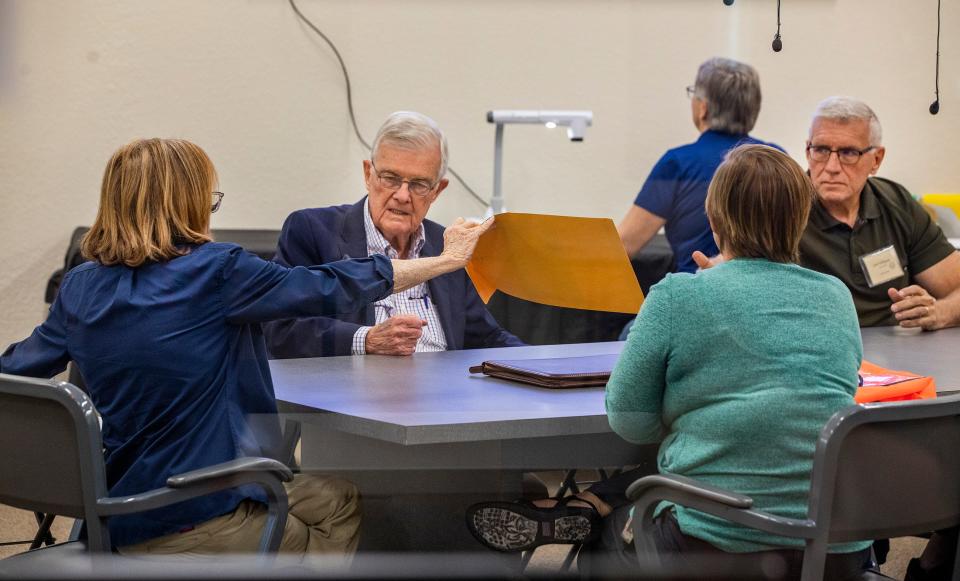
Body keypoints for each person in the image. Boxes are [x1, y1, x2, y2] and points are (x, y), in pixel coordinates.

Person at [0, 138, 492, 557]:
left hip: (109, 508)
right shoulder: (216, 271)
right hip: (192, 511)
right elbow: (326, 285)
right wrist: (443, 261)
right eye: (207, 202)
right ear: (186, 206)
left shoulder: (82, 285)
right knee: (327, 522)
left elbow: (17, 371)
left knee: (335, 495)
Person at [468, 145, 873, 580]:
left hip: (717, 548)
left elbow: (629, 420)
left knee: (605, 541)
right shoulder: (836, 297)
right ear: (801, 220)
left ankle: (590, 506)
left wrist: (697, 415)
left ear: (713, 221)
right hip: (837, 550)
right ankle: (591, 502)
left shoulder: (679, 295)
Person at [264, 111, 522, 358]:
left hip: (446, 397)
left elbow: (486, 338)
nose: (402, 195)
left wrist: (546, 365)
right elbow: (281, 328)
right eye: (390, 178)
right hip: (354, 396)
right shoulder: (313, 231)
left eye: (419, 184)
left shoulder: (446, 245)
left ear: (437, 190)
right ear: (368, 174)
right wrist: (367, 340)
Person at [797, 96, 960, 330]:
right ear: (807, 150)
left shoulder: (896, 204)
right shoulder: (783, 206)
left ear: (876, 159)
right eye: (821, 150)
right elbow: (731, 273)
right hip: (813, 348)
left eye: (848, 153)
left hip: (896, 351)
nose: (831, 167)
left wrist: (938, 313)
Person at [618, 57, 780, 274]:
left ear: (703, 108)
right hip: (767, 293)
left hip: (696, 294)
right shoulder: (777, 160)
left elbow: (625, 245)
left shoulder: (677, 163)